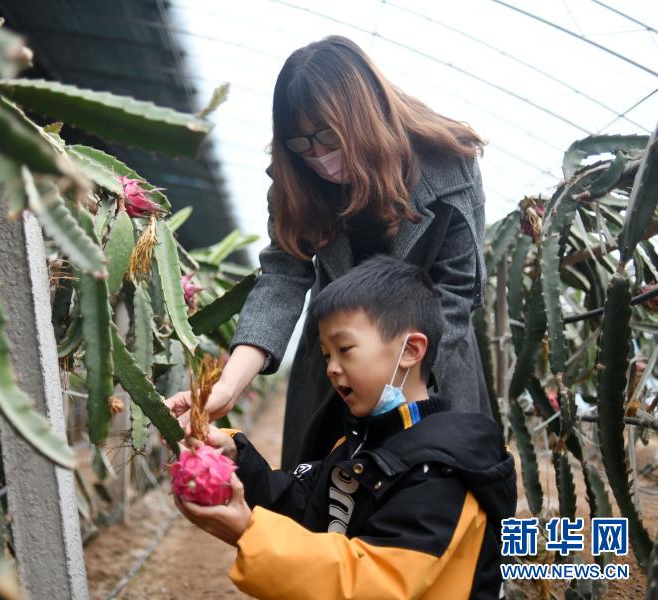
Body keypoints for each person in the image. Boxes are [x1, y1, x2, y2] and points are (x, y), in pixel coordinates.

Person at [165, 35, 491, 469]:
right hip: (336, 366)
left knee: (438, 507)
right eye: (302, 145)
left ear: (361, 117)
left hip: (432, 366)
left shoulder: (448, 163)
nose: (318, 158)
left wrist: (396, 384)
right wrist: (228, 386)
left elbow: (455, 293)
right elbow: (281, 278)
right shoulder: (296, 181)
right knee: (325, 502)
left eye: (326, 138)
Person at [174, 256, 516, 599]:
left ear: (410, 350)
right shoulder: (361, 443)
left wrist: (249, 532)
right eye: (326, 355)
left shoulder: (441, 472)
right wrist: (231, 455)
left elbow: (376, 583)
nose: (332, 369)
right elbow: (299, 502)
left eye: (345, 349)